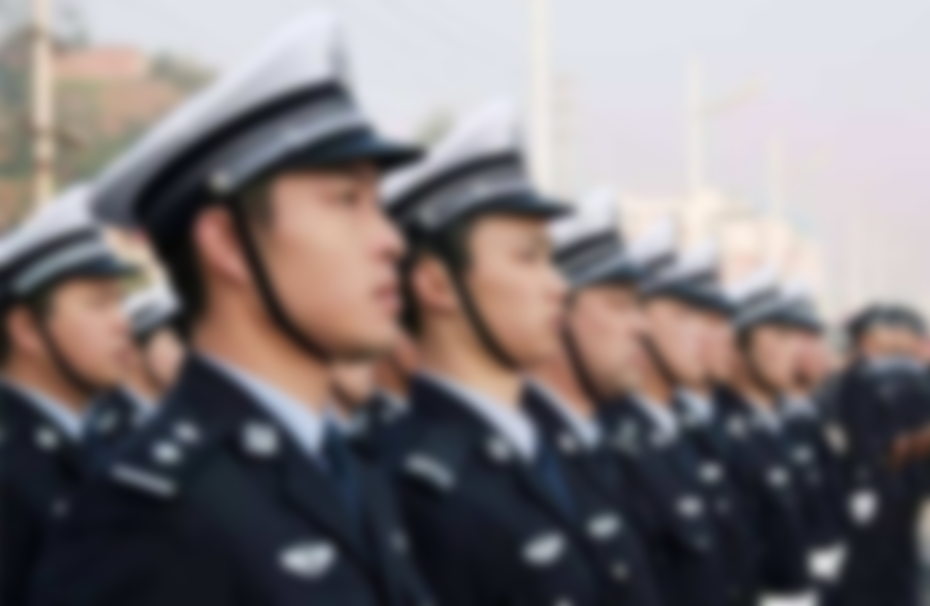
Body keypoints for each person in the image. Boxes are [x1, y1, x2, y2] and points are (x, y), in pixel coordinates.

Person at [30, 12, 432, 606]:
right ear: (228, 244)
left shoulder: (346, 469)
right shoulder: (151, 519)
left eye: (379, 204)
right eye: (346, 199)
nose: (391, 241)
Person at [381, 100, 632, 606]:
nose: (558, 286)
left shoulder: (546, 450)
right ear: (437, 285)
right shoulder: (416, 487)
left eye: (550, 258)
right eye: (527, 257)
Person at [525, 188, 666, 606]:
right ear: (558, 315)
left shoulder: (608, 444)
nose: (642, 327)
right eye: (619, 305)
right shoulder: (534, 461)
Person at [0, 185, 135, 606]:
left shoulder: (101, 440)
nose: (122, 323)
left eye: (119, 302)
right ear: (26, 329)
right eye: (98, 304)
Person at [604, 231, 751, 606]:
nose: (703, 336)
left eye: (705, 319)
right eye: (684, 316)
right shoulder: (615, 440)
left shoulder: (687, 428)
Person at [722, 269, 817, 606]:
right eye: (779, 334)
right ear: (740, 346)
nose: (794, 348)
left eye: (794, 335)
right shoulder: (725, 432)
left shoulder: (782, 424)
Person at [83, 282, 184, 467]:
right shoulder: (109, 431)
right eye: (175, 341)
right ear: (132, 352)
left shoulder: (185, 408)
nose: (184, 355)